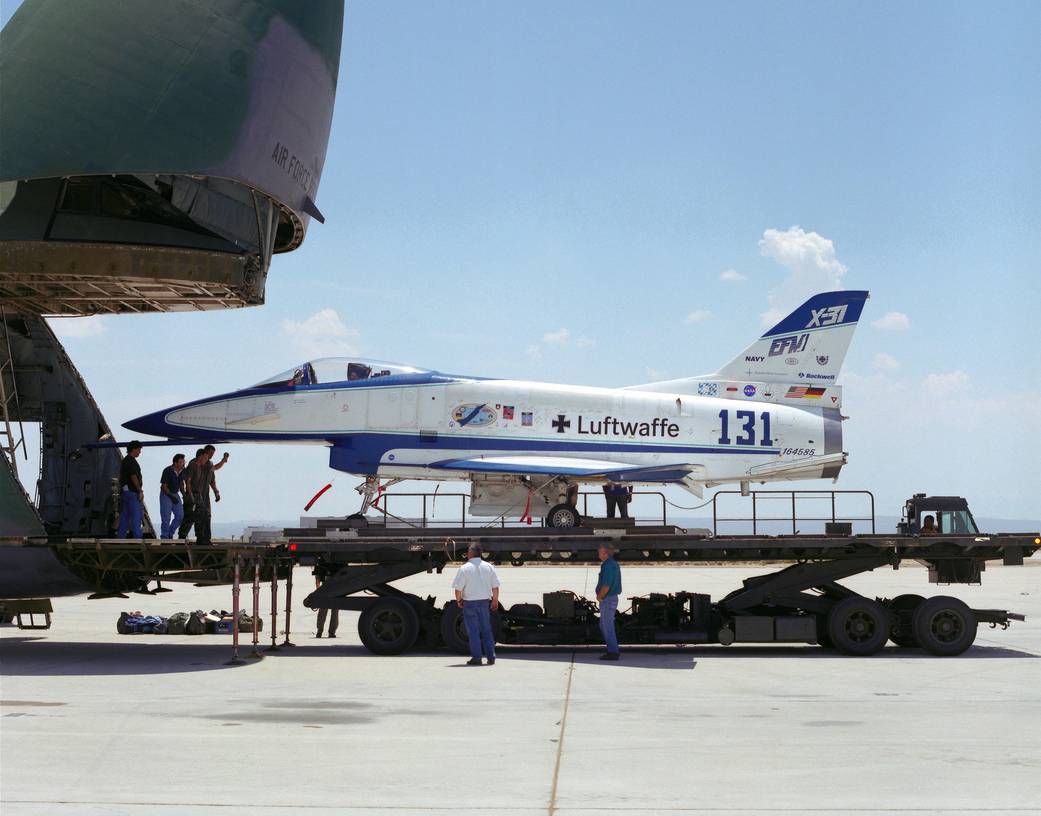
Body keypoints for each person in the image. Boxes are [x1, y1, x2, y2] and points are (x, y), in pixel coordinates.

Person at [451, 544, 501, 666]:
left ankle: (477, 658)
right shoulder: (489, 567)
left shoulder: (464, 568)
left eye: (468, 552)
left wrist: (459, 600)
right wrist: (495, 600)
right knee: (486, 630)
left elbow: (458, 589)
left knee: (473, 631)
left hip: (470, 603)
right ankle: (491, 657)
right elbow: (495, 586)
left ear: (471, 553)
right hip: (484, 602)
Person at [193, 445, 229, 545]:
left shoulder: (209, 464)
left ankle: (206, 539)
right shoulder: (198, 463)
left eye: (213, 453)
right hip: (197, 494)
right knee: (198, 516)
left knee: (207, 516)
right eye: (210, 453)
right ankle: (200, 539)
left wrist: (216, 492)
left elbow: (212, 481)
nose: (211, 455)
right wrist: (223, 461)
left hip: (205, 495)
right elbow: (215, 468)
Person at [596, 543, 622, 660]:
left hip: (608, 598)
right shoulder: (609, 564)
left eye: (600, 551)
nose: (598, 552)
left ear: (605, 553)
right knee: (604, 625)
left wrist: (600, 597)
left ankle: (613, 652)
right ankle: (612, 649)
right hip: (609, 598)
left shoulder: (609, 565)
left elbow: (606, 585)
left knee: (607, 626)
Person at [116, 441, 144, 538]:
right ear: (134, 449)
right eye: (139, 450)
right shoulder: (131, 460)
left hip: (126, 492)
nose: (139, 452)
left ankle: (120, 538)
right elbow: (133, 476)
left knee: (125, 517)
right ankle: (138, 539)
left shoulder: (125, 460)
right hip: (132, 492)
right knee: (137, 516)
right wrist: (139, 490)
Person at [177, 448, 206, 539]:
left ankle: (200, 537)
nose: (206, 460)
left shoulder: (199, 467)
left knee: (200, 516)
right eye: (205, 457)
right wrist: (190, 495)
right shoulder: (193, 465)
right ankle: (182, 537)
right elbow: (187, 481)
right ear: (200, 456)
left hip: (198, 495)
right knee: (189, 517)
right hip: (192, 495)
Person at [159, 453, 186, 539]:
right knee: (166, 517)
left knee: (180, 515)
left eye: (184, 461)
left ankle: (170, 533)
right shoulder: (167, 470)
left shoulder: (182, 471)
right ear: (175, 463)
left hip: (175, 493)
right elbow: (164, 486)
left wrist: (184, 494)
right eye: (181, 462)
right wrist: (171, 496)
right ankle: (164, 536)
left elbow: (181, 484)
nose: (183, 463)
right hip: (166, 494)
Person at [314, 564, 339, 638]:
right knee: (326, 609)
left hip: (333, 584)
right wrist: (317, 579)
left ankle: (323, 631)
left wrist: (317, 579)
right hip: (332, 584)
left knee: (330, 610)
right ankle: (325, 631)